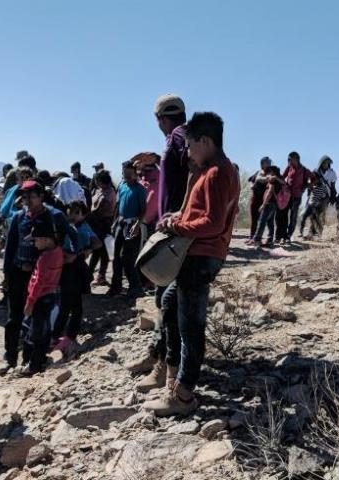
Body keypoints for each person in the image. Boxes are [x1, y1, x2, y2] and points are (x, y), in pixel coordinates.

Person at [144, 111, 240, 416]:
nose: (187, 151)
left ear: (206, 141)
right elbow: (201, 214)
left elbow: (212, 224)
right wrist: (180, 217)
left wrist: (176, 228)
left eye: (190, 145)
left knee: (191, 326)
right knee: (171, 304)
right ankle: (172, 381)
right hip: (196, 254)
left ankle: (183, 395)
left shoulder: (218, 173)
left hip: (202, 256)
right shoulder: (209, 170)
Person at [127, 94, 189, 389]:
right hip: (175, 228)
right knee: (162, 296)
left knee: (167, 300)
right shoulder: (180, 138)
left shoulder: (178, 137)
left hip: (176, 232)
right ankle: (157, 354)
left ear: (159, 119)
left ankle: (164, 366)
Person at [0, 181, 54, 375]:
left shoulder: (51, 217)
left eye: (32, 196)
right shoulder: (17, 218)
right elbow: (10, 247)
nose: (27, 200)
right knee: (13, 318)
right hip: (17, 274)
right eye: (24, 196)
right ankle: (10, 358)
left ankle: (31, 361)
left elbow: (62, 242)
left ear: (41, 196)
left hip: (39, 278)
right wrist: (6, 275)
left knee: (37, 319)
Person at [52, 201, 101, 354]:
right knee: (69, 305)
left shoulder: (83, 227)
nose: (72, 215)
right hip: (68, 269)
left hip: (76, 269)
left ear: (83, 213)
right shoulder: (68, 228)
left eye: (76, 212)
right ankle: (62, 336)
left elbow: (97, 244)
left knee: (73, 306)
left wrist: (80, 253)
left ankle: (65, 336)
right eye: (70, 211)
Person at [21, 212, 63, 376]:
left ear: (46, 239)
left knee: (34, 333)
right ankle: (39, 360)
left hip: (40, 298)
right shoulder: (58, 251)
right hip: (51, 295)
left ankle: (32, 365)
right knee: (44, 331)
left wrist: (30, 303)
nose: (34, 243)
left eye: (36, 240)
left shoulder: (45, 258)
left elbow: (38, 283)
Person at [108, 160, 147, 298]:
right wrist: (114, 223)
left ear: (135, 173)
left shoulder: (140, 189)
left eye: (130, 174)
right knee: (116, 258)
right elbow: (118, 207)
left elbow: (143, 210)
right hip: (120, 224)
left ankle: (136, 287)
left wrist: (137, 224)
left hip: (132, 225)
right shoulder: (122, 186)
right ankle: (116, 286)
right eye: (125, 174)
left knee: (128, 258)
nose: (127, 177)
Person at [88, 169, 117, 286]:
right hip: (96, 224)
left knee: (102, 251)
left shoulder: (109, 193)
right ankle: (90, 274)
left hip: (103, 225)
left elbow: (98, 209)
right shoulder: (99, 190)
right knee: (96, 251)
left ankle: (100, 275)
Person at [275, 151, 309, 244]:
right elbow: (283, 176)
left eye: (290, 159)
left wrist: (305, 187)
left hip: (297, 197)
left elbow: (313, 179)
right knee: (283, 215)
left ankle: (289, 235)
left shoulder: (304, 170)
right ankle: (283, 235)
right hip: (287, 195)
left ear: (296, 159)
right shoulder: (289, 167)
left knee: (293, 217)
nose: (288, 161)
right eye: (288, 159)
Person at [251, 166, 283, 246]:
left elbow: (269, 193)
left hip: (269, 203)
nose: (268, 173)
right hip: (273, 204)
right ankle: (270, 240)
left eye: (270, 171)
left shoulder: (273, 181)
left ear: (273, 172)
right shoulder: (278, 180)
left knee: (262, 221)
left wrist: (263, 204)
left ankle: (257, 240)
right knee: (270, 223)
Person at [246, 156, 272, 242]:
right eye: (267, 162)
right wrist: (252, 186)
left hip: (263, 200)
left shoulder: (271, 172)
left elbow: (268, 179)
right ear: (262, 164)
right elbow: (250, 180)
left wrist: (261, 179)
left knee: (262, 220)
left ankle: (258, 238)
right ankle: (251, 237)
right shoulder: (258, 172)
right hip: (254, 198)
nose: (269, 164)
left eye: (269, 162)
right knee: (254, 219)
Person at [299, 174, 329, 239]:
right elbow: (308, 189)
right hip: (310, 204)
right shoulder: (312, 185)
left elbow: (326, 196)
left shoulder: (323, 187)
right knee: (304, 217)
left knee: (315, 219)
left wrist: (320, 202)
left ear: (318, 179)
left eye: (315, 180)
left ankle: (318, 232)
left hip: (316, 205)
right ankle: (301, 232)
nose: (313, 181)